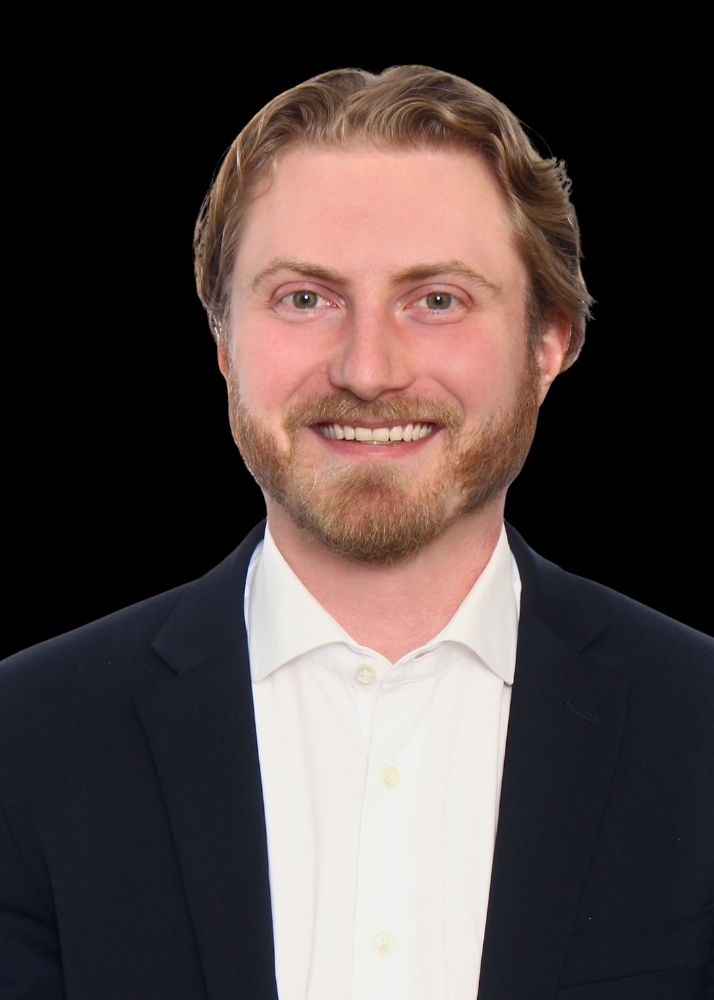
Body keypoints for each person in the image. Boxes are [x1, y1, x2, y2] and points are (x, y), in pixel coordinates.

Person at [1, 64, 712, 1000]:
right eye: (306, 298)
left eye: (437, 299)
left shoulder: (700, 724)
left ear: (550, 343)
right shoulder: (24, 738)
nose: (368, 370)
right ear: (222, 342)